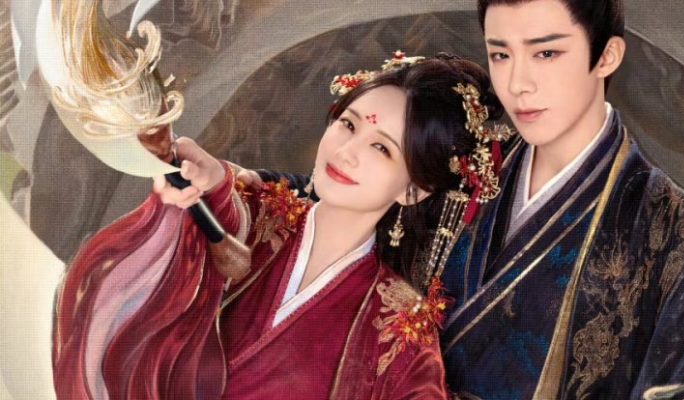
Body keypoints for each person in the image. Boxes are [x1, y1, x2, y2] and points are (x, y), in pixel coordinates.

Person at [252, 0, 684, 398]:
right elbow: (348, 190)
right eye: (501, 54)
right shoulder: (472, 142)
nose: (518, 84)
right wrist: (234, 180)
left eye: (546, 54)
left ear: (606, 56)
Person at [52, 53, 510, 399]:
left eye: (382, 148)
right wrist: (181, 199)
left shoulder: (400, 328)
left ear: (414, 190)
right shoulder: (251, 212)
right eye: (348, 125)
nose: (346, 152)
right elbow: (212, 220)